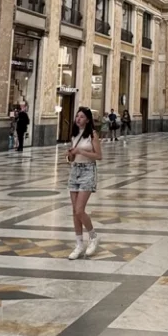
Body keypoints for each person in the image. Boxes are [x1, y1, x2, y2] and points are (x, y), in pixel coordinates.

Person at [65, 105, 101, 259]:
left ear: (87, 120)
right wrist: (70, 155)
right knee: (75, 211)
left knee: (80, 210)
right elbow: (71, 158)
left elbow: (98, 156)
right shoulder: (74, 135)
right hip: (75, 171)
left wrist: (81, 151)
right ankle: (79, 244)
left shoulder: (93, 135)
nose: (78, 119)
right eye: (77, 116)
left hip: (88, 171)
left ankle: (93, 236)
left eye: (81, 117)